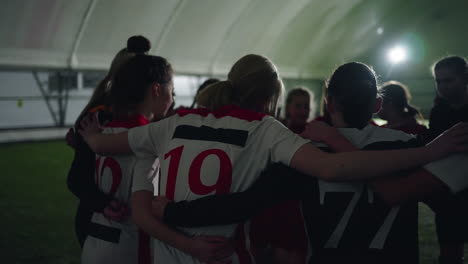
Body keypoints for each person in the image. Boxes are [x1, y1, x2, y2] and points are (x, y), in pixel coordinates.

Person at [79, 55, 468, 264]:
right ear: (379, 104)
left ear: (327, 103)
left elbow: (247, 202)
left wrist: (173, 211)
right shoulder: (409, 142)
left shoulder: (175, 123)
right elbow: (429, 206)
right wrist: (427, 150)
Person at [66, 35, 150, 248]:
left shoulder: (106, 109)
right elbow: (78, 177)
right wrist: (103, 204)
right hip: (103, 224)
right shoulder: (102, 114)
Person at [427, 55, 468, 264]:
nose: (442, 86)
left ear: (465, 79)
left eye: (448, 80)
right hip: (449, 194)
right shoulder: (439, 111)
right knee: (450, 255)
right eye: (438, 81)